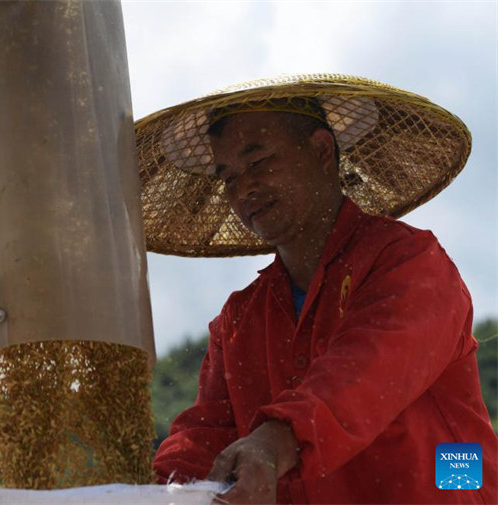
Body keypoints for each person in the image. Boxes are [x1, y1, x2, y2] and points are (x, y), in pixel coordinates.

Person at [135, 76, 497, 503]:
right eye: (227, 175)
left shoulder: (410, 262)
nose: (243, 188)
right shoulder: (237, 323)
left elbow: (364, 373)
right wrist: (155, 492)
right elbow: (202, 438)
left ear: (322, 151)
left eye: (259, 161)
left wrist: (274, 441)